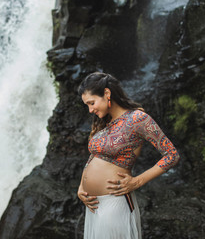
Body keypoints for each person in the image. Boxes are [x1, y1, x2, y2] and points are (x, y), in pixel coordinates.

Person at [77, 72, 180, 239]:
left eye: (92, 103)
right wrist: (82, 186)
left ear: (107, 93)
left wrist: (137, 181)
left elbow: (171, 155)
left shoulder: (137, 119)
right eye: (87, 105)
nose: (90, 110)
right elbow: (94, 156)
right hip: (93, 205)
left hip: (115, 202)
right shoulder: (105, 121)